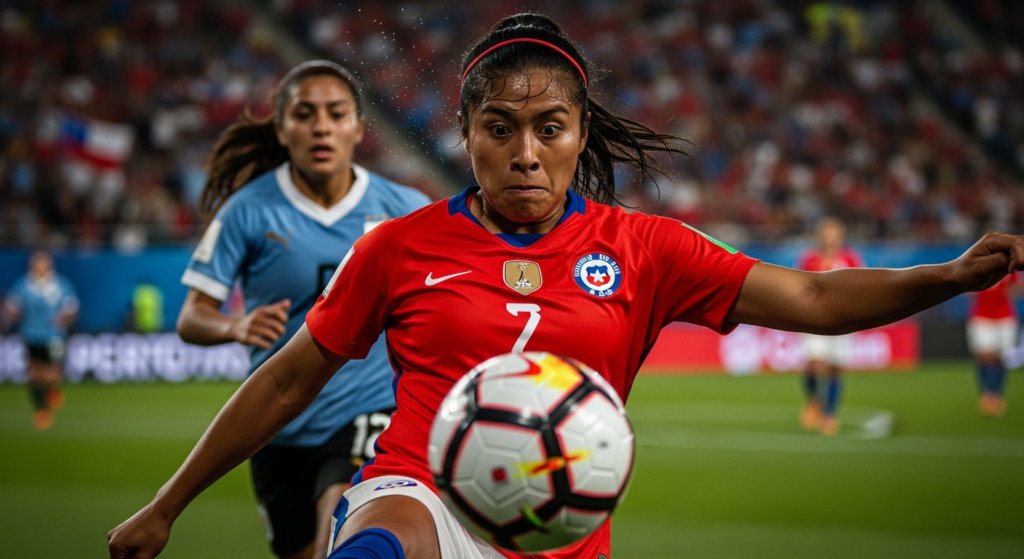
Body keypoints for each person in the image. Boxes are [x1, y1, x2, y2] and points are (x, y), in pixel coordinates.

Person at [108, 14, 1024, 559]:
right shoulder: (398, 245)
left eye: (549, 127)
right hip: (420, 491)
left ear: (581, 133)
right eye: (499, 128)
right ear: (463, 133)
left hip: (556, 527)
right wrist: (166, 503)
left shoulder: (646, 248)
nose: (524, 151)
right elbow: (283, 379)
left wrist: (948, 273)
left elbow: (817, 303)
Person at [174, 60, 430, 559]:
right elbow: (190, 318)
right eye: (305, 114)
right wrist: (235, 323)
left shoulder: (405, 208)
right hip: (276, 426)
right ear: (282, 128)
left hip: (369, 415)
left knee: (340, 543)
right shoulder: (248, 210)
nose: (320, 127)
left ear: (358, 128)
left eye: (336, 114)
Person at [795, 216, 865, 435]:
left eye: (834, 232)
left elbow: (861, 286)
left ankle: (830, 414)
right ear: (820, 235)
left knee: (835, 367)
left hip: (841, 321)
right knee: (813, 362)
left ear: (840, 235)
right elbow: (800, 286)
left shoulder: (850, 258)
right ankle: (814, 400)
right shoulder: (810, 259)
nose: (830, 236)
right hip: (815, 321)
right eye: (826, 231)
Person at [1, 250, 78, 430]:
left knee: (52, 374)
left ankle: (53, 389)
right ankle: (41, 411)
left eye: (44, 262)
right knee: (35, 374)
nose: (40, 266)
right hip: (30, 335)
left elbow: (72, 307)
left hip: (53, 336)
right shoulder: (24, 285)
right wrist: (10, 314)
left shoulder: (60, 285)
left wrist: (65, 317)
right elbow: (11, 306)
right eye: (37, 262)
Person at [967, 272, 1021, 417]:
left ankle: (996, 395)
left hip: (1005, 317)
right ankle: (988, 394)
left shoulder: (1010, 270)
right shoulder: (980, 266)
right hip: (982, 317)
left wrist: (1013, 292)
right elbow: (966, 288)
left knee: (1000, 359)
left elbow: (1019, 288)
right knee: (985, 356)